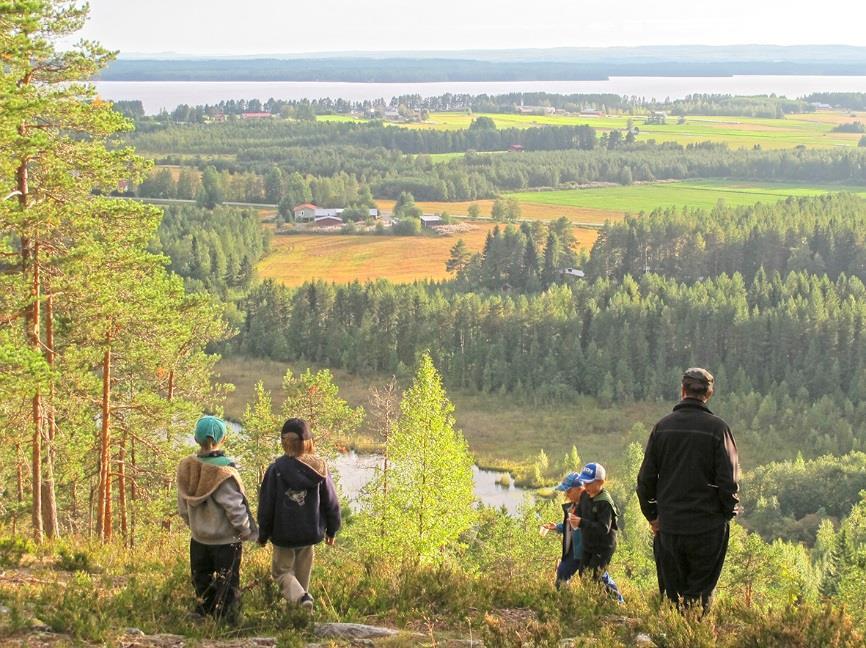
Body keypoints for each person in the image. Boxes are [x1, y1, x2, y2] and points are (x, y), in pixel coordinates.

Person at [636, 367, 740, 612]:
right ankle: (693, 635)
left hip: (670, 528)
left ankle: (674, 635)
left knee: (672, 595)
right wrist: (726, 514)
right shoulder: (718, 430)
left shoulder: (662, 428)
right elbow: (729, 482)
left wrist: (653, 516)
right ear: (709, 394)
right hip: (707, 527)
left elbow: (645, 481)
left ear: (682, 391)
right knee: (700, 596)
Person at [177, 415, 258, 624]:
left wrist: (194, 525)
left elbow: (183, 507)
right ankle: (227, 622)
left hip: (198, 539)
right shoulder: (224, 472)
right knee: (228, 583)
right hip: (225, 541)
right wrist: (245, 530)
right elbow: (234, 507)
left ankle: (203, 615)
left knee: (201, 580)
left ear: (196, 438)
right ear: (223, 439)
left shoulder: (187, 467)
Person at [257, 418, 341, 610]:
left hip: (283, 534)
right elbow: (331, 502)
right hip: (309, 533)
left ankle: (302, 602)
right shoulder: (319, 469)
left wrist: (263, 534)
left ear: (283, 442)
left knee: (281, 574)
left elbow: (267, 505)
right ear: (308, 441)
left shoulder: (276, 469)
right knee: (302, 581)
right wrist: (332, 530)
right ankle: (302, 617)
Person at [573, 462, 624, 603]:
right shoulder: (584, 495)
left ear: (601, 482)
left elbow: (603, 528)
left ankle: (617, 600)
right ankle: (596, 601)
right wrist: (574, 517)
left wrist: (581, 522)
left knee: (597, 575)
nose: (586, 486)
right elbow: (580, 511)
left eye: (589, 483)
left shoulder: (605, 502)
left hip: (604, 546)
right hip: (589, 543)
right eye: (584, 482)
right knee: (583, 573)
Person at [543, 472, 584, 587]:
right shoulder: (572, 507)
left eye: (568, 491)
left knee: (596, 578)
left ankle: (618, 602)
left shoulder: (589, 506)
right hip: (573, 548)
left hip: (587, 550)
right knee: (562, 573)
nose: (566, 494)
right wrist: (557, 527)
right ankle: (564, 600)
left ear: (579, 489)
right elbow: (570, 525)